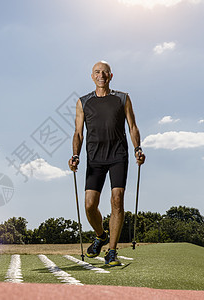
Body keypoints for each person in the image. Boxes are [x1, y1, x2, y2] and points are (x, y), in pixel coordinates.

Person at [68, 61, 145, 266]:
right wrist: (75, 155)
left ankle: (111, 251)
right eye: (97, 72)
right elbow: (78, 133)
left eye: (105, 72)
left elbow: (133, 126)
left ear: (111, 76)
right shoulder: (83, 102)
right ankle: (101, 235)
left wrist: (138, 148)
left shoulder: (122, 98)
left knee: (117, 200)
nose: (101, 75)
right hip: (95, 158)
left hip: (118, 155)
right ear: (91, 76)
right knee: (90, 205)